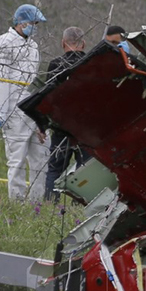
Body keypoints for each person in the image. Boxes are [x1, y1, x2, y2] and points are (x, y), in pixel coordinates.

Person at [0, 3, 50, 201]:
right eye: (33, 23)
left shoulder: (33, 46)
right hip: (13, 106)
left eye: (37, 23)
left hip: (31, 105)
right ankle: (16, 202)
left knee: (40, 158)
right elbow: (1, 81)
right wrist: (1, 113)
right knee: (17, 159)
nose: (35, 27)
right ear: (21, 22)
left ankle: (36, 203)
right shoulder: (3, 43)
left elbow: (33, 79)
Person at [44, 26, 89, 200]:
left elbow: (48, 97)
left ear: (63, 43)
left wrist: (45, 124)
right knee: (84, 170)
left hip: (62, 127)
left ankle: (49, 205)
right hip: (86, 129)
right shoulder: (91, 63)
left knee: (55, 169)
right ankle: (80, 208)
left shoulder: (56, 65)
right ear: (83, 43)